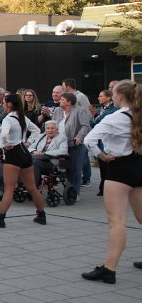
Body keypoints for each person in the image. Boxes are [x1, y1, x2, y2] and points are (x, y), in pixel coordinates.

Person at [81, 81, 142, 284]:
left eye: (114, 93)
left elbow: (89, 139)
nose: (112, 96)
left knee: (117, 223)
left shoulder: (115, 117)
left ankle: (109, 269)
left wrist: (102, 156)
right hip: (139, 166)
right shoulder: (139, 114)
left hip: (120, 169)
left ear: (121, 96)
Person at [0, 93, 47, 228]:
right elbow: (36, 130)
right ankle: (41, 215)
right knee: (32, 187)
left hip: (13, 154)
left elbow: (4, 134)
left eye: (5, 102)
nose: (4, 105)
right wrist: (28, 142)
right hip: (25, 152)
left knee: (9, 188)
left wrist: (6, 144)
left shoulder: (8, 119)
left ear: (9, 104)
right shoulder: (22, 116)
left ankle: (0, 218)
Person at [57, 91, 92, 196]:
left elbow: (85, 126)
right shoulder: (58, 111)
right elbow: (53, 124)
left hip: (74, 144)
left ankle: (75, 193)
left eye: (62, 100)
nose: (60, 101)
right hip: (61, 144)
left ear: (69, 102)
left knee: (76, 169)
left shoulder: (79, 111)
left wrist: (79, 137)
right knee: (64, 168)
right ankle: (68, 189)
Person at [30, 121, 68, 188]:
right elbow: (31, 148)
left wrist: (44, 153)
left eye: (52, 128)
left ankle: (33, 187)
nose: (50, 130)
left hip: (52, 163)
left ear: (57, 129)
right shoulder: (41, 136)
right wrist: (34, 151)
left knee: (35, 162)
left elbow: (63, 151)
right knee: (26, 161)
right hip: (38, 159)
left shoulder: (62, 138)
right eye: (47, 128)